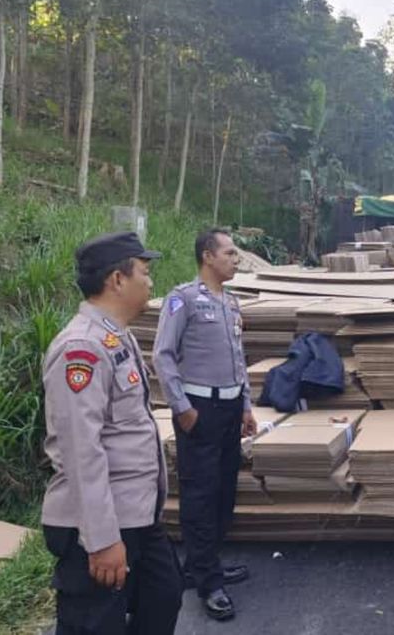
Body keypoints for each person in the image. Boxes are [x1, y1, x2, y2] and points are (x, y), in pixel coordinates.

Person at [40, 231, 182, 635]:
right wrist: (101, 540)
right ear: (117, 280)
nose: (150, 281)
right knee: (95, 622)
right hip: (101, 523)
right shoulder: (80, 349)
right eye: (144, 271)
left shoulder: (115, 336)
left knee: (164, 594)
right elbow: (81, 452)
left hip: (136, 513)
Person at [153, 228, 258, 622]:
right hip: (199, 410)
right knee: (200, 494)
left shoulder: (231, 304)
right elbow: (162, 355)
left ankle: (205, 563)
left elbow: (239, 360)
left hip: (231, 411)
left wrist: (246, 405)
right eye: (230, 253)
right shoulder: (184, 300)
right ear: (207, 257)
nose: (236, 258)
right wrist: (181, 407)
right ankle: (208, 583)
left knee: (224, 490)